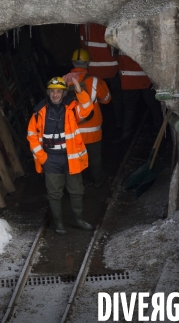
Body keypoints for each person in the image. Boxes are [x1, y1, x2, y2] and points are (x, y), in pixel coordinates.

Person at [27, 76, 95, 235]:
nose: (55, 94)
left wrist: (79, 91)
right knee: (54, 193)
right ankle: (58, 223)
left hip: (71, 157)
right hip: (51, 159)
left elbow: (87, 108)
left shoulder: (72, 107)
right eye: (52, 91)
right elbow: (31, 135)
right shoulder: (39, 112)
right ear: (48, 92)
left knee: (76, 190)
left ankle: (77, 220)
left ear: (64, 93)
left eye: (58, 91)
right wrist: (43, 158)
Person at [67, 48, 112, 188]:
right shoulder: (95, 81)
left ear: (73, 62)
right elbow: (106, 99)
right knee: (95, 159)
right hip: (92, 131)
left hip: (71, 131)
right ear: (88, 63)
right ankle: (98, 182)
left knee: (73, 158)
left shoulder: (61, 80)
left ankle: (76, 184)